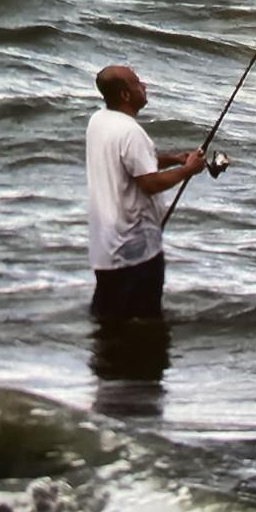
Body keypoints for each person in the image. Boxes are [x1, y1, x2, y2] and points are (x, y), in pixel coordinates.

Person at [86, 65, 205, 322]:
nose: (144, 86)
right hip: (135, 253)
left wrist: (174, 159)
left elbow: (132, 165)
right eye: (137, 83)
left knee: (107, 320)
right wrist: (188, 171)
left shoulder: (99, 121)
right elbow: (149, 183)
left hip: (105, 249)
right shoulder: (131, 132)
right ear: (125, 95)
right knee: (143, 324)